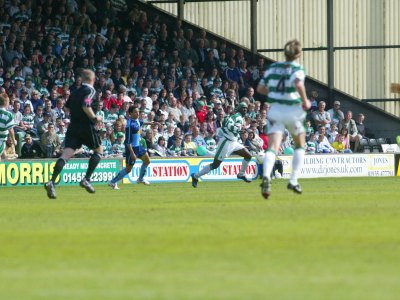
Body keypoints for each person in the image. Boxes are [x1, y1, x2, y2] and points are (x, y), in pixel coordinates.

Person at [256, 39, 311, 199]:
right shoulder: (297, 68)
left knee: (272, 147)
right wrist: (306, 101)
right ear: (298, 54)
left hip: (275, 111)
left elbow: (260, 88)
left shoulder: (272, 68)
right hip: (293, 110)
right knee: (300, 145)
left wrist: (275, 94)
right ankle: (293, 180)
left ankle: (266, 176)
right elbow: (298, 85)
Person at [44, 69, 103, 199]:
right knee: (99, 151)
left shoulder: (75, 92)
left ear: (82, 79)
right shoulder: (91, 91)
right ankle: (86, 179)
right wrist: (94, 118)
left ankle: (52, 181)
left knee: (65, 155)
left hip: (73, 127)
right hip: (86, 126)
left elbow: (67, 108)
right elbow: (86, 105)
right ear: (93, 79)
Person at [190, 102, 253, 188]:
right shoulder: (236, 116)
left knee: (248, 155)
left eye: (246, 108)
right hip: (226, 142)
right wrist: (238, 130)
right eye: (243, 108)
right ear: (239, 109)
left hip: (234, 142)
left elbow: (229, 127)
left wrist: (238, 133)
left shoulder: (240, 118)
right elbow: (228, 125)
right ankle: (195, 176)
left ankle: (241, 174)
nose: (245, 109)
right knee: (215, 165)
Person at [108, 107, 159, 190]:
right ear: (130, 114)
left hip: (138, 147)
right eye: (135, 112)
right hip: (131, 149)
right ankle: (113, 182)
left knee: (147, 161)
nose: (137, 113)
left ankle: (140, 179)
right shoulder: (129, 125)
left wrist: (151, 123)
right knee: (128, 170)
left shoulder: (137, 120)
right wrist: (132, 153)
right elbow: (127, 141)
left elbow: (141, 123)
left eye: (138, 112)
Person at [0, 93, 17, 161]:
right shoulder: (8, 114)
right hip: (1, 139)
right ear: (6, 102)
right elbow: (11, 130)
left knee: (3, 156)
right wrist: (14, 140)